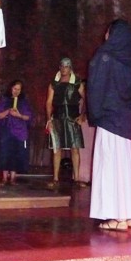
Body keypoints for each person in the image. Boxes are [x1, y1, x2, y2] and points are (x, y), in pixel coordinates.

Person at [88, 19, 131, 231]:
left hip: (111, 121)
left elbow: (95, 90)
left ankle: (117, 217)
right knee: (128, 169)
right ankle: (129, 215)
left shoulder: (104, 56)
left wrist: (94, 115)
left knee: (112, 169)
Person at [45, 57, 86, 188]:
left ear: (70, 68)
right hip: (57, 118)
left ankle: (76, 179)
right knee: (57, 149)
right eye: (62, 66)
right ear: (59, 67)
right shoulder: (54, 83)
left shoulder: (77, 82)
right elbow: (49, 102)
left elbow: (86, 99)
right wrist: (48, 119)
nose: (64, 68)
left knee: (75, 148)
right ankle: (56, 179)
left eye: (67, 66)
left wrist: (82, 115)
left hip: (72, 119)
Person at [0, 79, 32, 185]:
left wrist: (19, 115)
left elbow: (28, 117)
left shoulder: (23, 102)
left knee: (15, 153)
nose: (16, 91)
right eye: (15, 89)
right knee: (4, 153)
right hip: (6, 131)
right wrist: (7, 111)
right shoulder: (4, 100)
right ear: (11, 88)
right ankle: (4, 178)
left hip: (18, 132)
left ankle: (13, 178)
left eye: (19, 89)